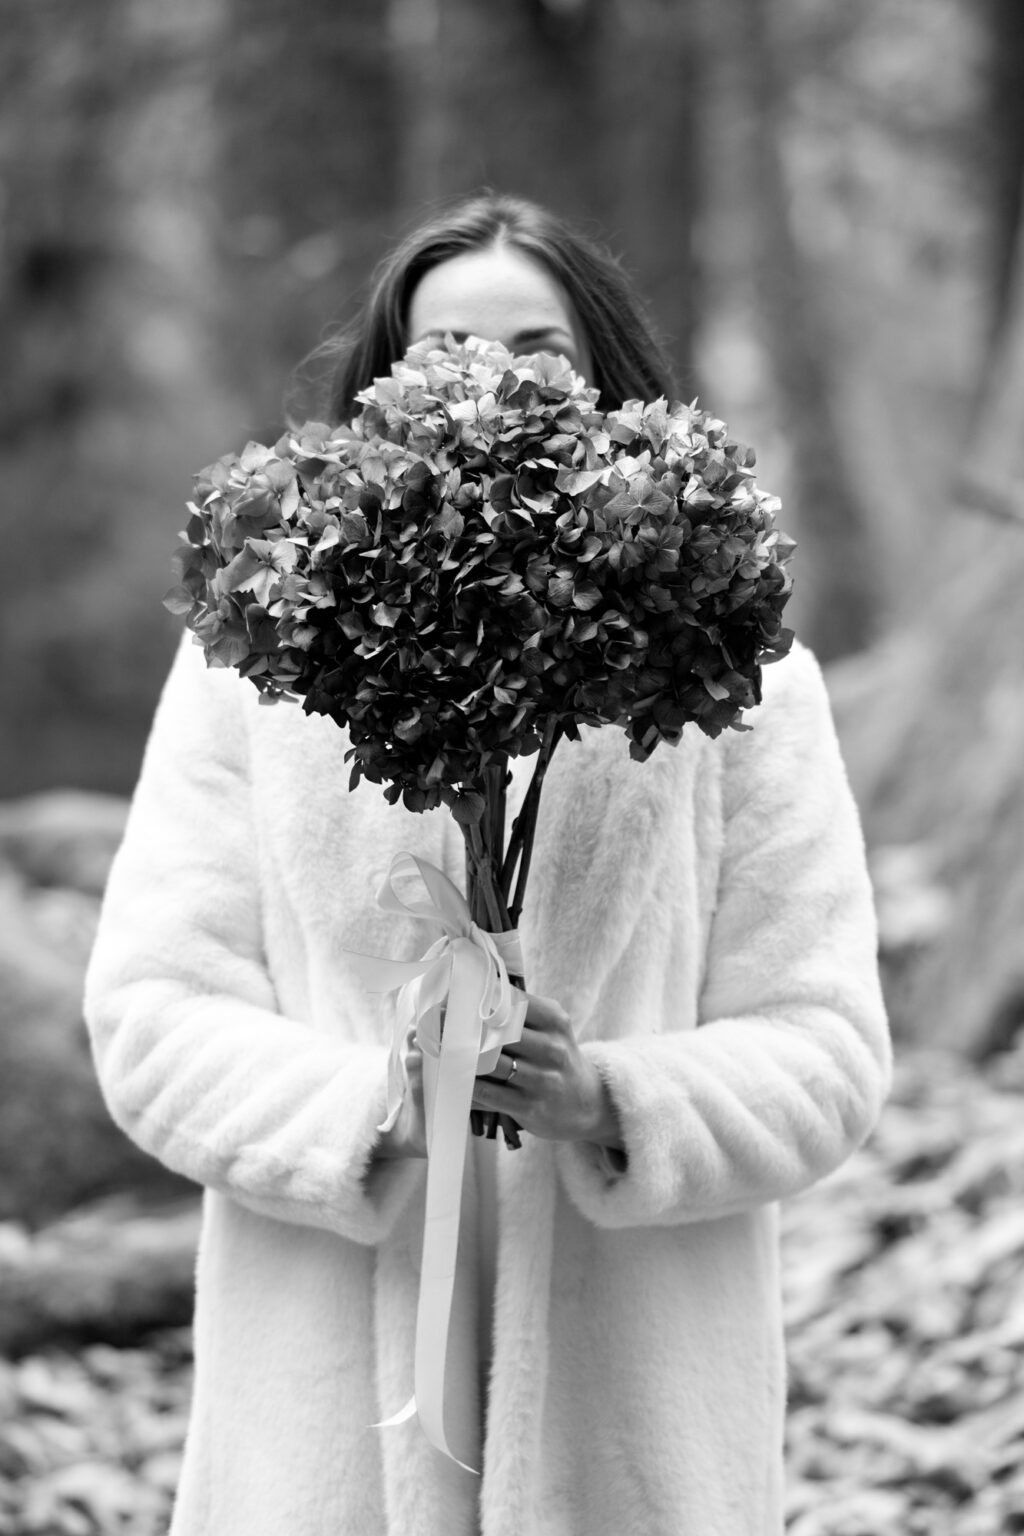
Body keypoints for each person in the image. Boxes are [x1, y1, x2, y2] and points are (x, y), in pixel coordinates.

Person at [83, 192, 892, 1536]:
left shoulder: (743, 684)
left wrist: (615, 1100)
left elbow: (828, 1049)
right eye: (443, 350)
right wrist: (367, 1115)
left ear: (609, 385)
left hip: (636, 1421)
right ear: (383, 390)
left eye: (538, 351)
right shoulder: (256, 675)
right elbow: (150, 1015)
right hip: (325, 1415)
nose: (491, 385)